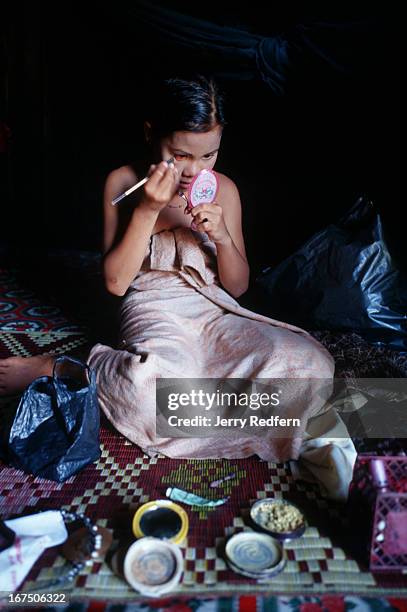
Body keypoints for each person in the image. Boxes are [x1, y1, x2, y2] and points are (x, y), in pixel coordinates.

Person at [0, 75, 356, 500]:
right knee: (144, 390)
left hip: (211, 309)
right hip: (152, 307)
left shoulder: (224, 189)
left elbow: (237, 287)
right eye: (181, 154)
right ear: (152, 134)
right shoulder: (122, 184)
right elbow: (115, 283)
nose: (195, 170)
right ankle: (66, 370)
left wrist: (223, 237)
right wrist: (148, 209)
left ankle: (207, 406)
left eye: (210, 154)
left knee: (309, 362)